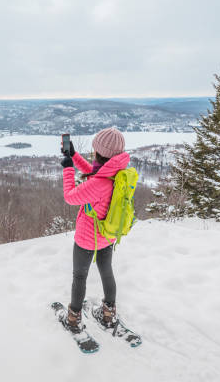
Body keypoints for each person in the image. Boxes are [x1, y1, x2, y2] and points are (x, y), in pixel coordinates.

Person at [60, 127, 130, 332]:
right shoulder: (116, 173)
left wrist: (67, 168)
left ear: (99, 152)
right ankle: (108, 313)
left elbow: (70, 196)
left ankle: (73, 319)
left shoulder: (100, 184)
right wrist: (73, 155)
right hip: (107, 235)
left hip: (87, 238)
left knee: (79, 277)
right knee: (106, 272)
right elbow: (92, 172)